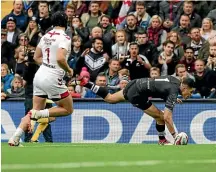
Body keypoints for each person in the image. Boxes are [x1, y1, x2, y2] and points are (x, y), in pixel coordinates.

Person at [8, 12, 74, 147]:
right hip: (53, 77)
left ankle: (15, 137)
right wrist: (68, 70)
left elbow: (37, 57)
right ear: (65, 22)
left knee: (34, 109)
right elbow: (61, 58)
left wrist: (47, 65)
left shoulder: (46, 36)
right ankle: (36, 114)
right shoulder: (65, 37)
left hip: (40, 74)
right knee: (67, 109)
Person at [77, 74, 195, 145]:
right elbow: (167, 117)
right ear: (184, 87)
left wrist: (172, 98)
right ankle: (162, 140)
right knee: (160, 116)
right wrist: (176, 136)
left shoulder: (175, 81)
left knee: (110, 98)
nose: (191, 93)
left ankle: (86, 83)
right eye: (191, 91)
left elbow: (162, 87)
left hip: (135, 84)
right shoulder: (173, 91)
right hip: (138, 94)